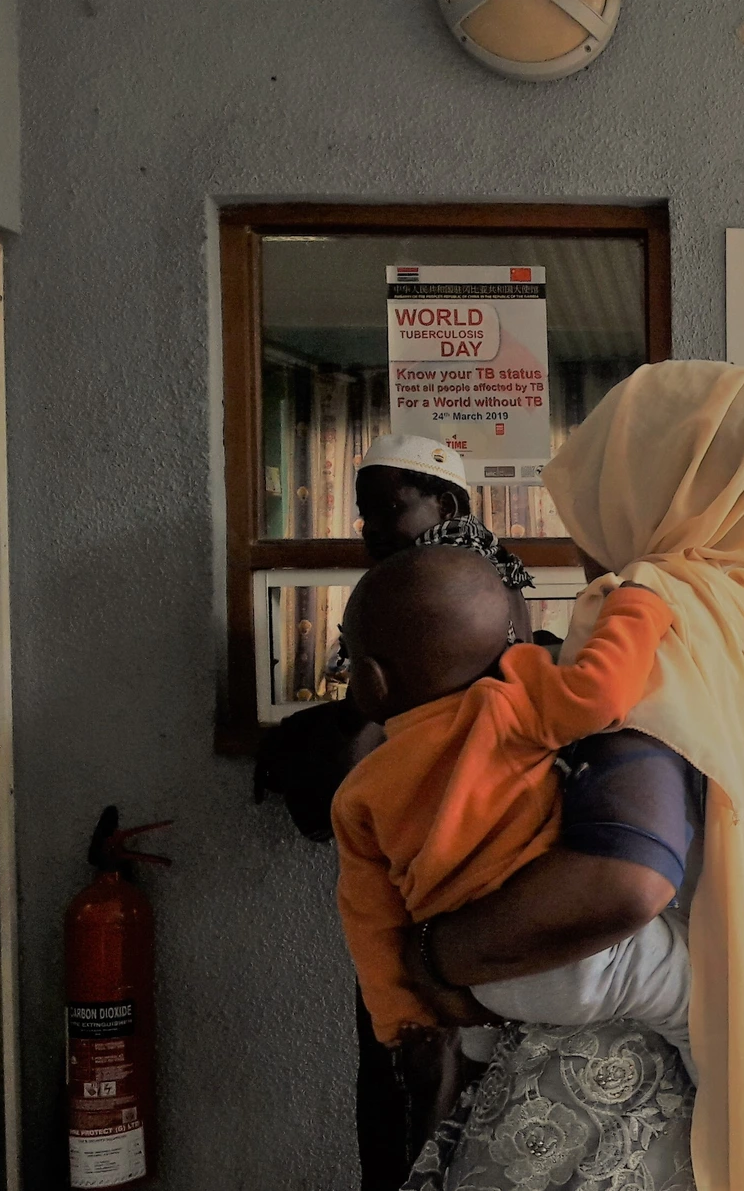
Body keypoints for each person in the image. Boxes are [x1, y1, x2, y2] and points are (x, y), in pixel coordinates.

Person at [395, 361, 744, 1191]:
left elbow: (626, 878)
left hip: (614, 1100)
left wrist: (437, 955)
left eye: (604, 489)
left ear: (663, 491)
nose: (585, 532)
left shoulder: (648, 617)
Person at [251, 433, 545, 1188]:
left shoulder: (443, 591)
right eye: (364, 513)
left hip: (433, 874)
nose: (372, 528)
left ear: (443, 504)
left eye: (388, 508)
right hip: (478, 882)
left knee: (414, 1082)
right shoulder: (487, 582)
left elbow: (387, 723)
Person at [329, 545, 697, 1081]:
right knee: (704, 998)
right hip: (577, 958)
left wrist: (400, 1017)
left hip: (483, 984)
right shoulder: (508, 705)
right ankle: (739, 1138)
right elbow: (603, 694)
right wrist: (639, 606)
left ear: (372, 678)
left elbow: (369, 921)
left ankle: (482, 1050)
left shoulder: (357, 794)